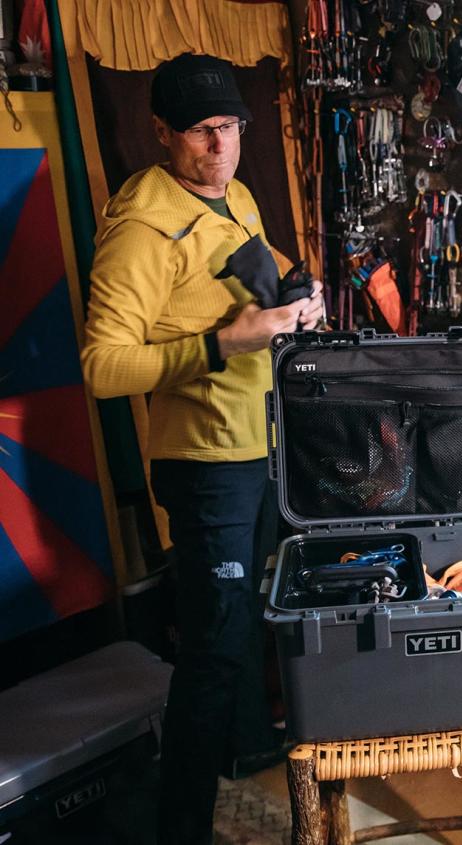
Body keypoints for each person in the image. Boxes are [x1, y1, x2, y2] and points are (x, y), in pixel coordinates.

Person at [81, 53, 324, 845]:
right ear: (161, 132)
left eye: (232, 128)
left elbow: (259, 270)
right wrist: (221, 345)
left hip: (259, 448)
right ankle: (180, 827)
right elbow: (102, 366)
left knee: (253, 616)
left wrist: (299, 294)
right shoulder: (139, 229)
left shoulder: (237, 193)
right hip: (204, 464)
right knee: (214, 649)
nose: (221, 147)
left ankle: (247, 750)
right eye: (201, 132)